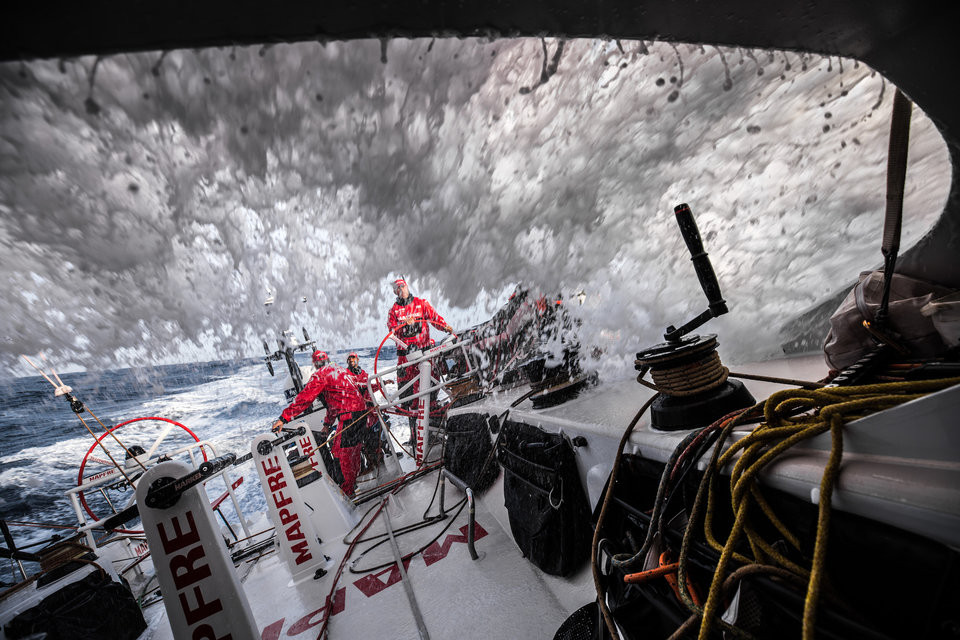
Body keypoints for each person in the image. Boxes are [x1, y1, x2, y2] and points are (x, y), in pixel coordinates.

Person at [271, 349, 367, 496]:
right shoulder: (339, 370)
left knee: (339, 453)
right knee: (353, 451)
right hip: (361, 413)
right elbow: (334, 404)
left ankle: (348, 492)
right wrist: (327, 425)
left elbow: (305, 398)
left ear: (314, 363)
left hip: (349, 416)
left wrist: (284, 418)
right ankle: (353, 484)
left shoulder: (320, 375)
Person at [386, 278, 454, 447]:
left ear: (407, 287)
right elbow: (392, 332)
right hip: (406, 361)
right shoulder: (393, 311)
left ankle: (433, 435)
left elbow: (435, 318)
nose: (400, 290)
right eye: (397, 288)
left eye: (402, 286)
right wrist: (404, 326)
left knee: (430, 395)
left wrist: (445, 327)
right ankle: (415, 437)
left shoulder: (421, 304)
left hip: (425, 357)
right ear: (395, 292)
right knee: (409, 401)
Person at [345, 352, 393, 468]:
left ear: (357, 360)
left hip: (372, 411)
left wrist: (383, 384)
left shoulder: (365, 374)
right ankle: (372, 462)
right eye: (349, 360)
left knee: (380, 431)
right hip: (360, 413)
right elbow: (355, 389)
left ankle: (385, 453)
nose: (352, 361)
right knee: (367, 439)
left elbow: (370, 387)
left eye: (354, 359)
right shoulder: (346, 376)